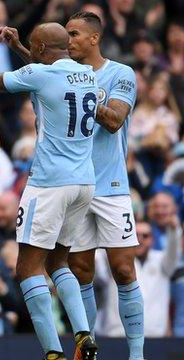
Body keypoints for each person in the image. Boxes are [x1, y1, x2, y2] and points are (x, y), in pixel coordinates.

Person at [0, 23, 98, 360]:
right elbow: (44, 69)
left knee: (28, 268)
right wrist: (19, 47)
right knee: (60, 262)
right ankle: (84, 332)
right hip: (83, 183)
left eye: (32, 45)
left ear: (41, 47)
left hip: (49, 183)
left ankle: (52, 352)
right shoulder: (87, 74)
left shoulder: (40, 75)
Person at [61, 11, 144, 360]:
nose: (69, 40)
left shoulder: (120, 74)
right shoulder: (63, 73)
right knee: (80, 271)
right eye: (66, 34)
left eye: (75, 34)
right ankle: (87, 348)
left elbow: (114, 121)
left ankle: (137, 354)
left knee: (123, 269)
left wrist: (85, 91)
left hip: (111, 185)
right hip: (75, 186)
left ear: (94, 38)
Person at [96, 220, 182, 338]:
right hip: (117, 334)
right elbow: (101, 251)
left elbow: (174, 253)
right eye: (136, 235)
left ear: (152, 240)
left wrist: (173, 231)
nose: (140, 239)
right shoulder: (113, 261)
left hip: (154, 335)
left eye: (145, 236)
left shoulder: (162, 261)